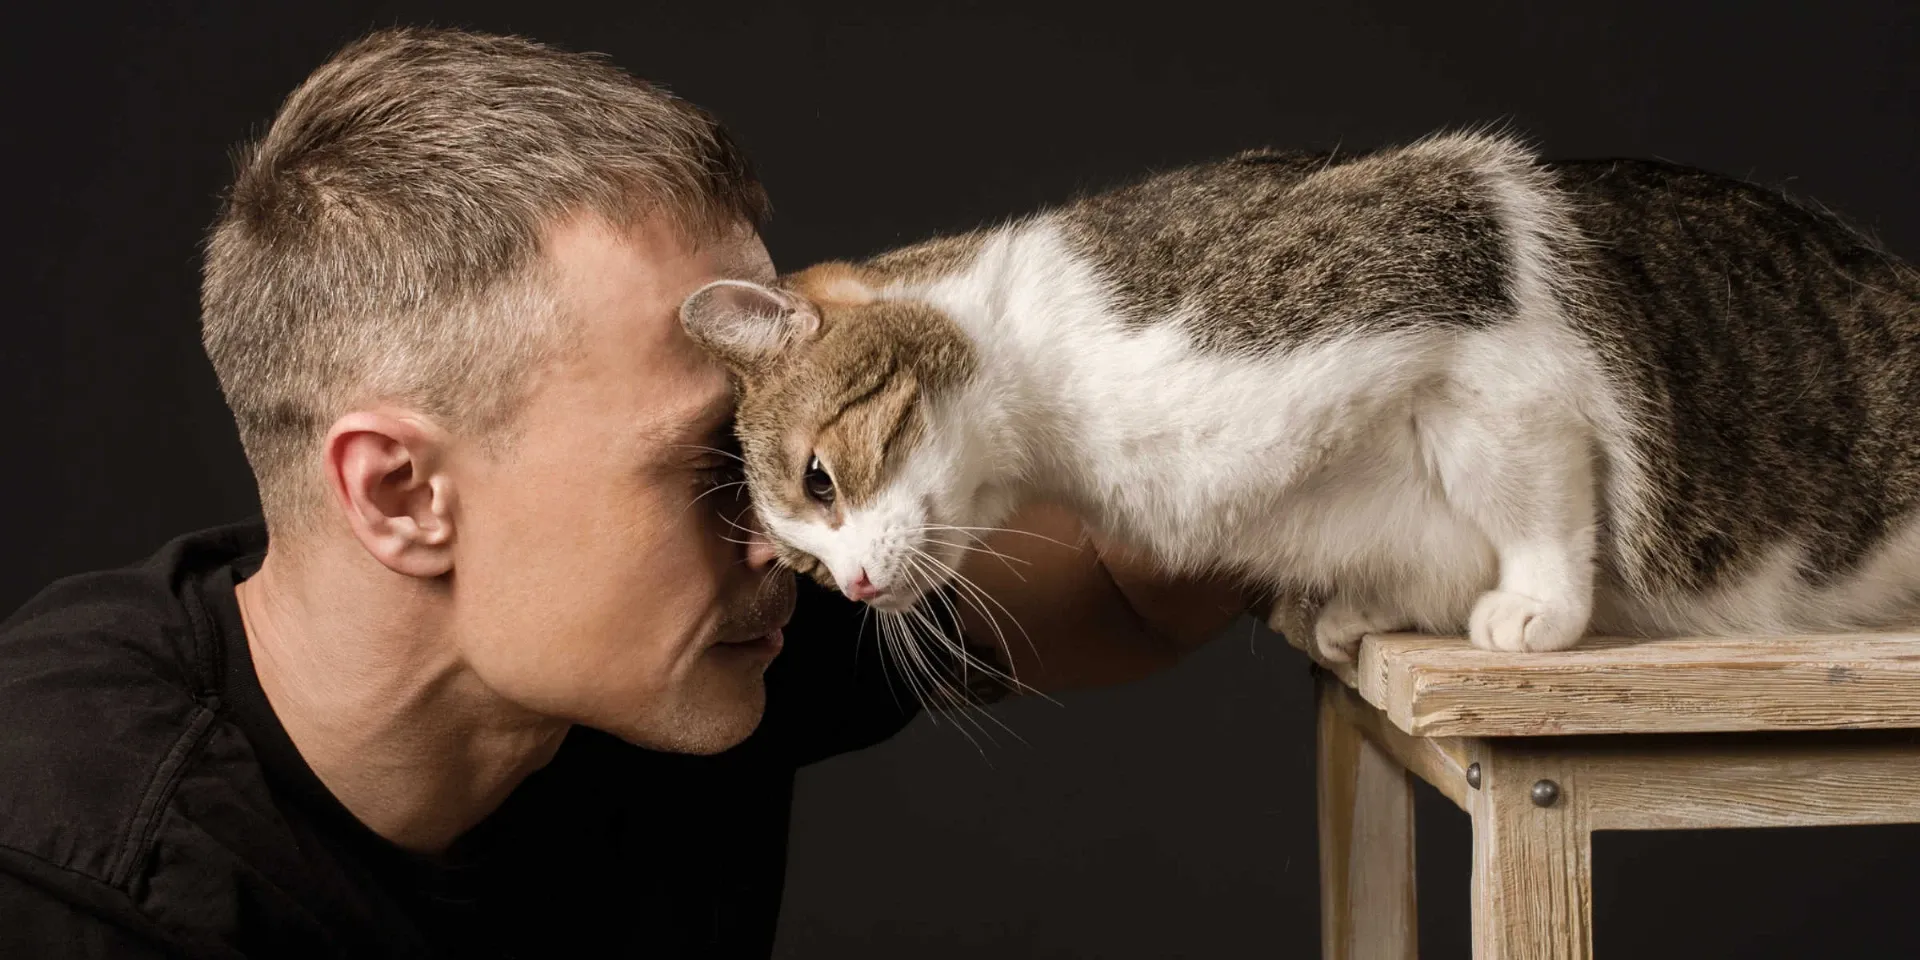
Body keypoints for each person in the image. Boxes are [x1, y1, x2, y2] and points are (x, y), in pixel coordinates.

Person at [0, 27, 1254, 959]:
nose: (779, 538)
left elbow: (1133, 576)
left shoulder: (694, 625)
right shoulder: (75, 881)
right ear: (401, 495)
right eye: (713, 466)